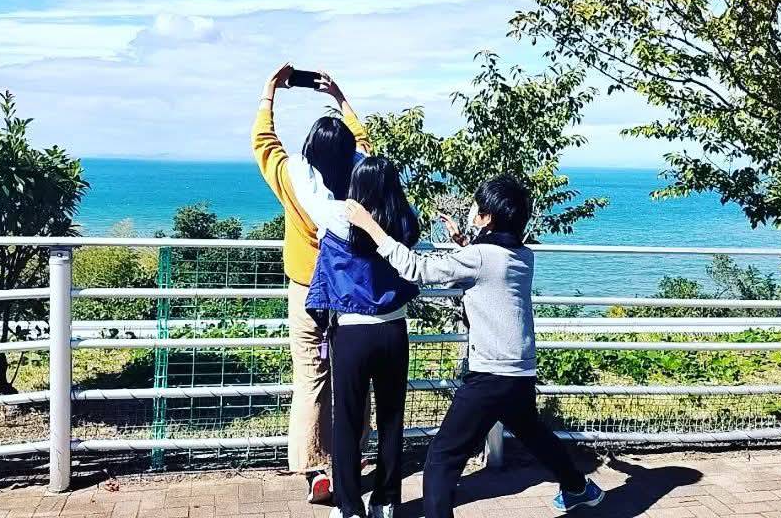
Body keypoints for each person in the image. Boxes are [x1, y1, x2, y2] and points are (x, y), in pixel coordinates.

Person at [345, 175, 606, 518]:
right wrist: (463, 243)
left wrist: (371, 226)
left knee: (442, 459)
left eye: (477, 207)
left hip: (490, 375)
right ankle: (577, 488)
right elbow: (489, 267)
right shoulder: (523, 255)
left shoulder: (480, 257)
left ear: (488, 217)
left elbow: (417, 268)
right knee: (533, 433)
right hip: (520, 371)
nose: (472, 210)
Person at [252, 62, 369, 503]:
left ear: (309, 152)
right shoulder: (360, 176)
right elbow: (364, 144)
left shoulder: (293, 178)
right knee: (352, 377)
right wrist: (340, 97)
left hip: (306, 289)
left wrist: (270, 91)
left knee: (310, 376)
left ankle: (315, 469)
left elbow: (264, 143)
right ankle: (350, 458)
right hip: (351, 291)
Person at [299, 156, 420, 518]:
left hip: (351, 332)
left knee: (347, 421)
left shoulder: (337, 219)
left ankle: (349, 506)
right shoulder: (406, 222)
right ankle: (386, 501)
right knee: (391, 420)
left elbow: (306, 182)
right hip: (394, 330)